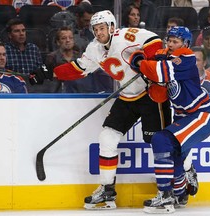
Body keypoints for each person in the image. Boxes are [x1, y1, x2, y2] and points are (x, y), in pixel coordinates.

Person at [53, 10, 172, 209]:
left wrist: (150, 63)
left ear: (111, 27)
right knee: (107, 137)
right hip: (127, 97)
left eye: (102, 28)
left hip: (151, 94)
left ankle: (172, 186)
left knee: (160, 142)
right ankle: (107, 190)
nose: (99, 32)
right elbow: (79, 69)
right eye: (95, 29)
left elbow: (153, 40)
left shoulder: (125, 37)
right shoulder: (94, 49)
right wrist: (51, 72)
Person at [129, 26, 210, 213]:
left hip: (200, 115)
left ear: (185, 44)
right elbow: (159, 96)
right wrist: (150, 71)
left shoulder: (187, 59)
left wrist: (141, 63)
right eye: (169, 41)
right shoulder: (167, 59)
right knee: (173, 157)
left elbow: (161, 72)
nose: (170, 45)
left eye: (175, 41)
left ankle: (165, 194)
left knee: (160, 139)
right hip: (184, 117)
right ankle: (180, 193)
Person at [47, 26, 113, 93]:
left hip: (81, 94)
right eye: (64, 38)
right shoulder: (52, 58)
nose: (68, 40)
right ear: (58, 42)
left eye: (70, 38)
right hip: (59, 96)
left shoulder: (82, 57)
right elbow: (50, 81)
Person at [4, 18, 50, 93]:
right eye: (17, 31)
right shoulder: (4, 50)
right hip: (12, 89)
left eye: (23, 30)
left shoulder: (33, 49)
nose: (21, 33)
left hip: (34, 89)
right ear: (10, 35)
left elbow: (40, 73)